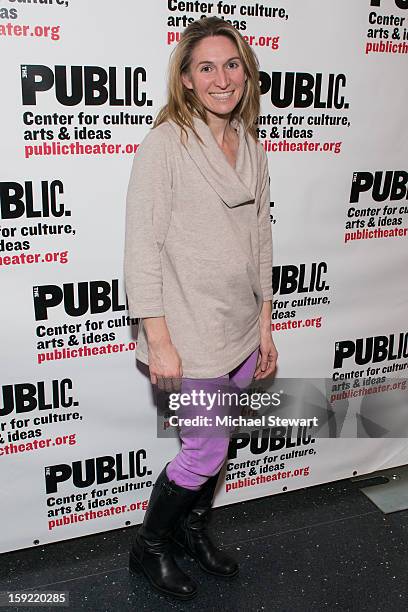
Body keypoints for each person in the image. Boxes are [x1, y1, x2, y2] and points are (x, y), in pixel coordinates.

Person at [124, 16, 278, 601]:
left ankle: (191, 531)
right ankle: (150, 547)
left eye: (231, 64)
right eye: (206, 67)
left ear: (247, 71)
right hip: (189, 331)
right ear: (185, 79)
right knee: (206, 448)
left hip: (241, 325)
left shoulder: (252, 144)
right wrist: (159, 340)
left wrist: (265, 326)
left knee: (219, 442)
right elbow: (142, 247)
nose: (221, 78)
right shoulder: (165, 145)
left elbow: (261, 241)